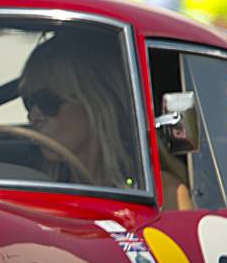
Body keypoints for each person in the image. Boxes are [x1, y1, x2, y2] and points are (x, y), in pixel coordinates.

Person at [15, 29, 147, 193]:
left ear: (94, 103)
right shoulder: (36, 189)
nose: (33, 116)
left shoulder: (160, 195)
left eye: (47, 101)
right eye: (29, 101)